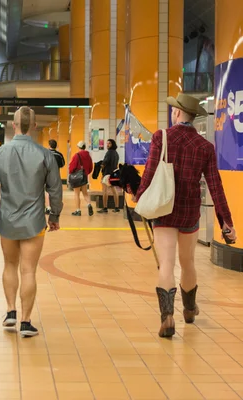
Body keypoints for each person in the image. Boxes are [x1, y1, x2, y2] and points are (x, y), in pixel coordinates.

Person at [135, 93, 237, 338]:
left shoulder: (162, 137)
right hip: (190, 212)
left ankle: (167, 317)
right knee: (188, 262)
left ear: (178, 113)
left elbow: (149, 173)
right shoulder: (205, 147)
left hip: (164, 209)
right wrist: (227, 223)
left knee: (167, 264)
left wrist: (139, 197)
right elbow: (215, 186)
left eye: (174, 110)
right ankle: (189, 309)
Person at [0, 106, 63, 338]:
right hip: (35, 223)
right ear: (35, 126)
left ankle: (10, 312)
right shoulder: (46, 155)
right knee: (28, 271)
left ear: (13, 125)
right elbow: (55, 189)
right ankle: (26, 322)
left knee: (9, 266)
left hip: (8, 221)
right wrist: (54, 216)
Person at [68, 140, 94, 216]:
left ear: (79, 147)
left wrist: (71, 172)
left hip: (77, 177)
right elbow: (90, 167)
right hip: (84, 176)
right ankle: (89, 204)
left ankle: (78, 210)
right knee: (85, 193)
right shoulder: (88, 155)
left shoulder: (77, 155)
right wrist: (86, 173)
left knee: (76, 193)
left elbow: (72, 166)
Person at [99, 138, 120, 213]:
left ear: (112, 144)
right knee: (114, 190)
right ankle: (117, 207)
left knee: (105, 191)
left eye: (109, 143)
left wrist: (101, 166)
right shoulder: (116, 153)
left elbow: (105, 163)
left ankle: (105, 208)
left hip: (107, 174)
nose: (107, 145)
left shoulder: (109, 153)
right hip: (113, 174)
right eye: (107, 143)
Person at [45, 139, 66, 214]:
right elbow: (63, 164)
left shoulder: (46, 153)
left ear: (49, 145)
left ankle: (48, 207)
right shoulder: (59, 155)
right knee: (55, 191)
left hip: (46, 174)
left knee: (47, 191)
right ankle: (55, 208)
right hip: (56, 174)